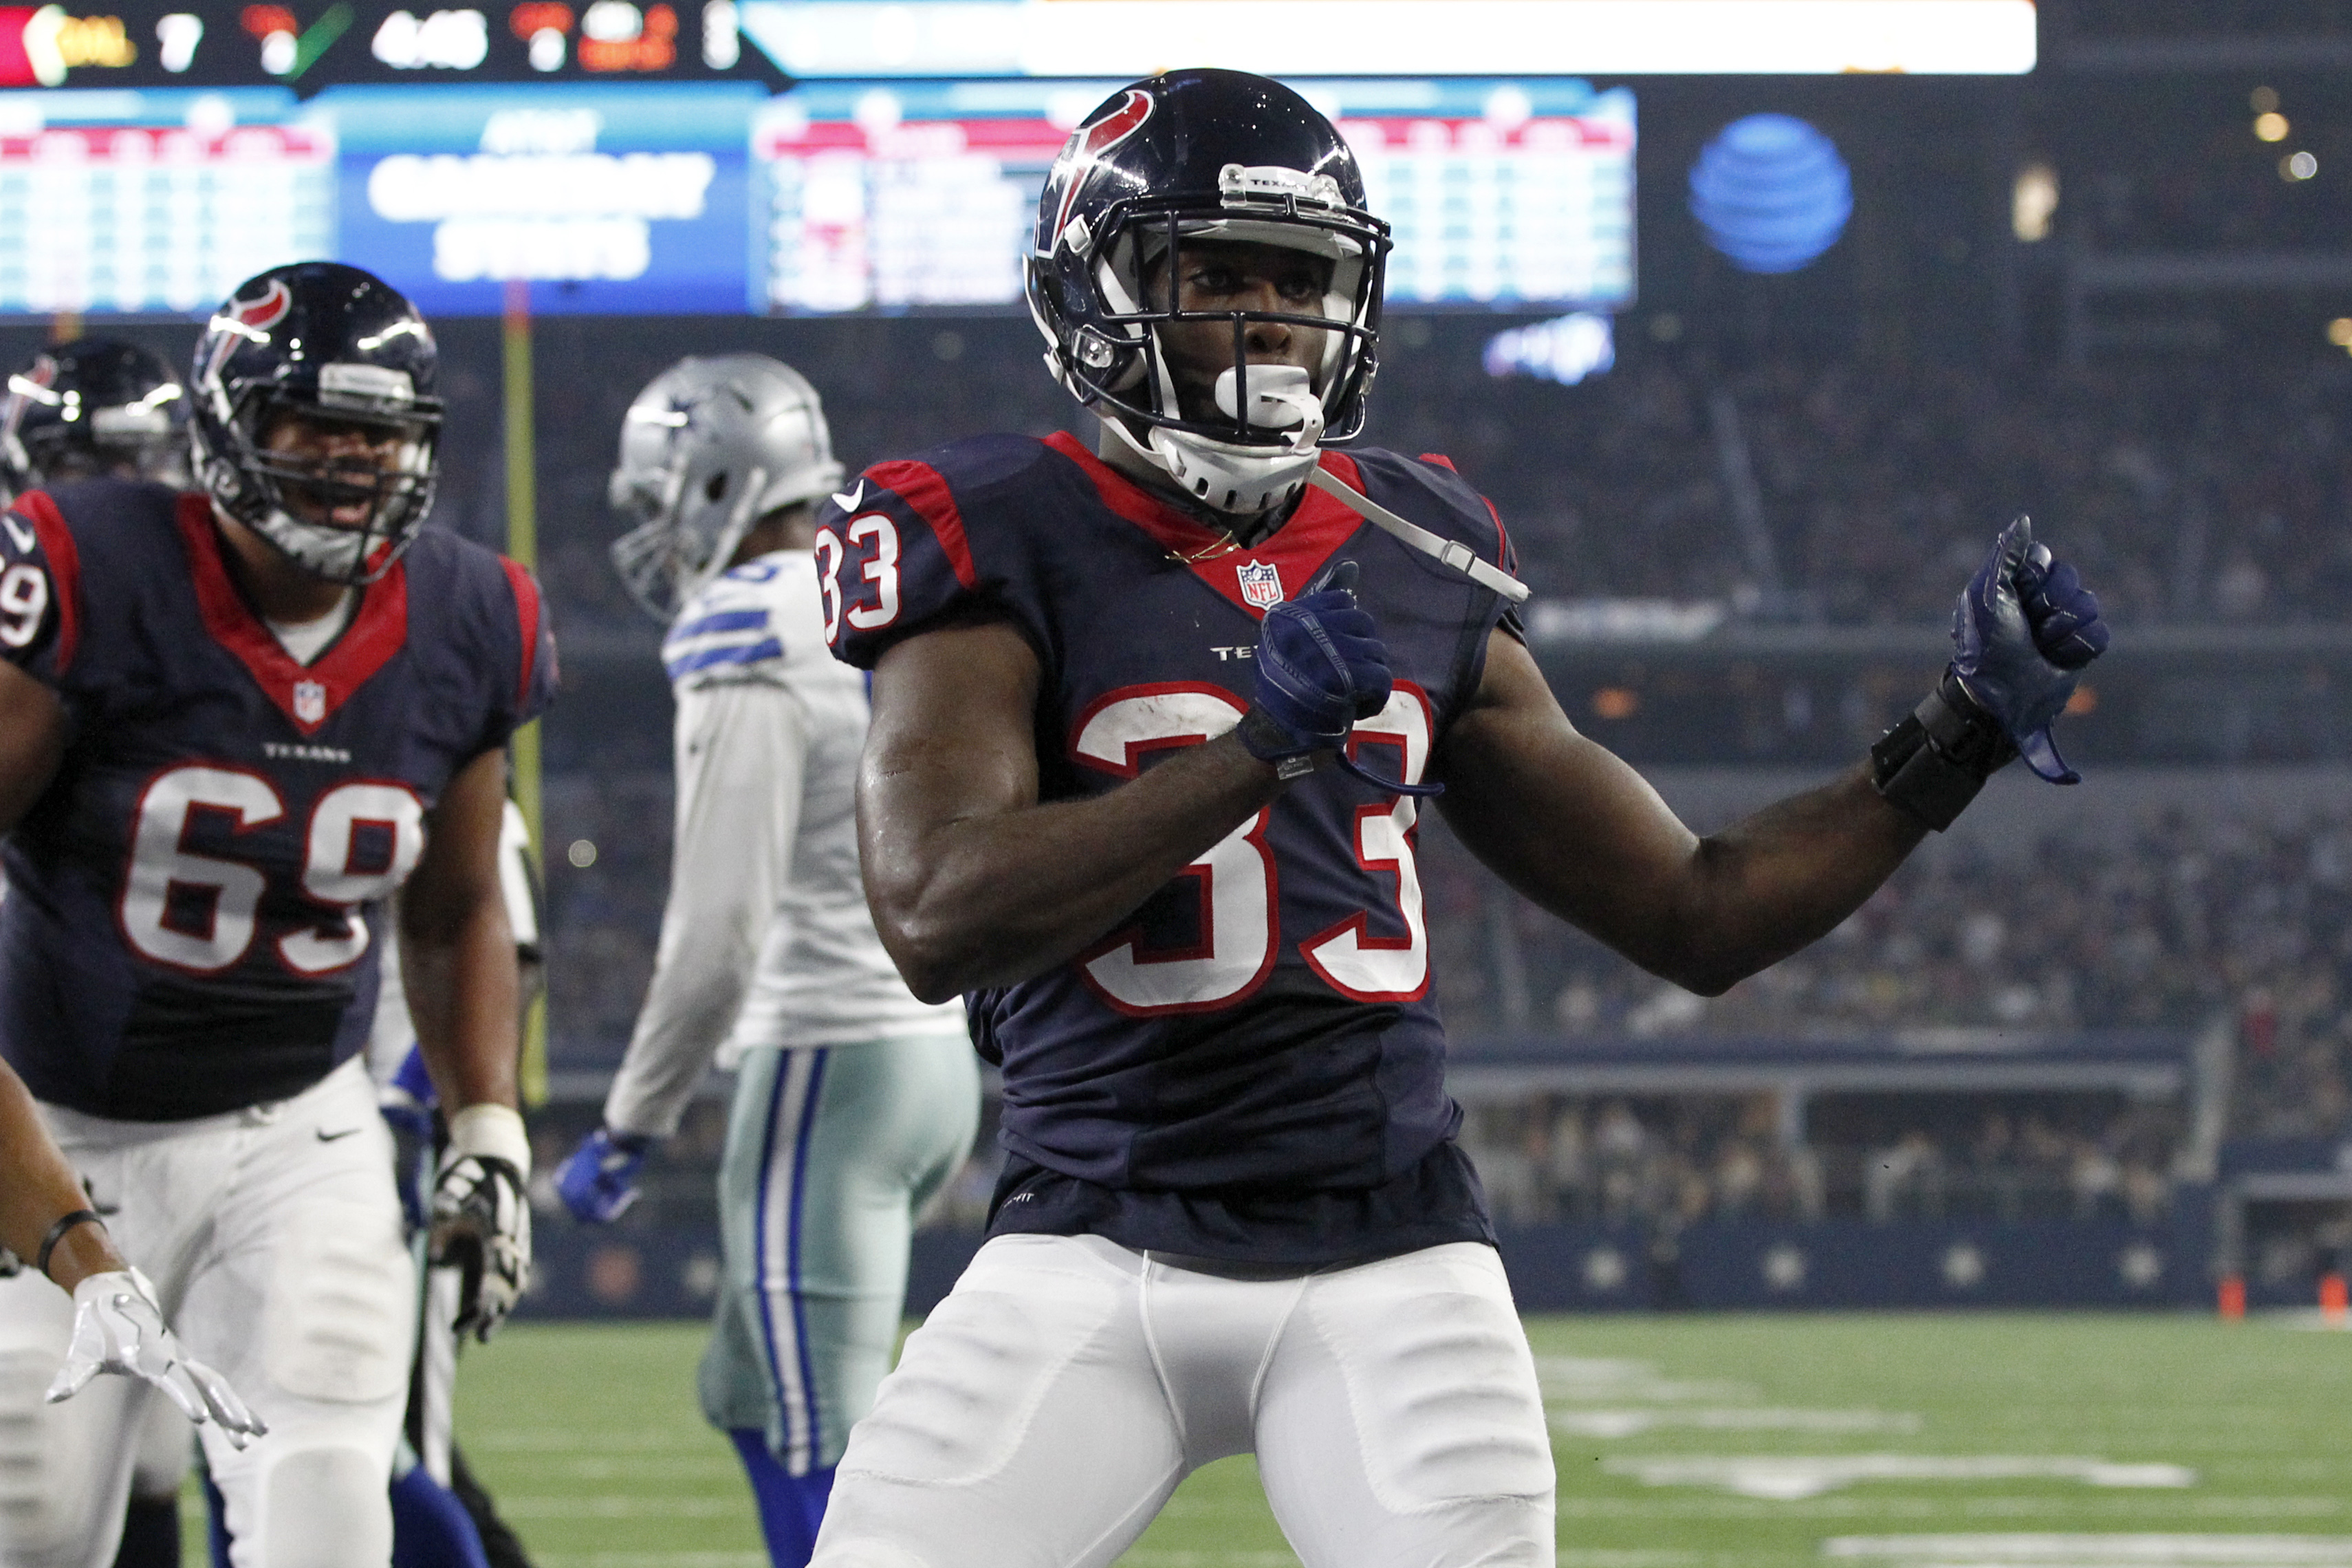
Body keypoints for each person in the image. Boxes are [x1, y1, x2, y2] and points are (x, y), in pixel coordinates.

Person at [803, 69, 2111, 1568]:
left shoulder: (1414, 548)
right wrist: (1253, 753)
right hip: (1087, 1239)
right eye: (1214, 271)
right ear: (1093, 292)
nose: (1267, 318)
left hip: (1389, 1254)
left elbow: (1697, 912)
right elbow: (937, 915)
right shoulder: (987, 522)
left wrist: (1951, 741)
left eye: (1302, 279)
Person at [0, 261, 554, 1568]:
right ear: (230, 428)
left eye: (383, 429)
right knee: (34, 1526)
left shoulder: (474, 613)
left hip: (296, 1130)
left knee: (323, 1513)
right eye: (317, 422)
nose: (353, 458)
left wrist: (487, 1119)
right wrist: (68, 1239)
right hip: (58, 1116)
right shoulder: (96, 563)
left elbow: (457, 903)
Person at [553, 353, 978, 1568]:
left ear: (716, 481)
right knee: (746, 1389)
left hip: (827, 1057)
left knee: (822, 1443)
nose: (652, 529)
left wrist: (631, 1122)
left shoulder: (749, 626)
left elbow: (718, 929)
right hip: (922, 1057)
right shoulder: (872, 583)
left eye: (658, 498)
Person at [0, 336, 201, 1568]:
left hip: (130, 1082)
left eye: (131, 468)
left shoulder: (212, 627)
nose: (107, 500)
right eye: (84, 468)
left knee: (147, 1444)